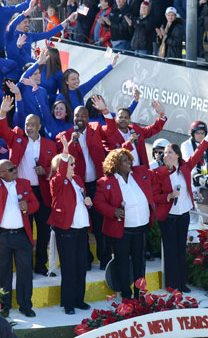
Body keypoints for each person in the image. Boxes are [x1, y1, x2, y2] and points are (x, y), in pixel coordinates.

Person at [154, 121, 208, 292]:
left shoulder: (185, 167)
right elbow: (154, 196)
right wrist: (168, 196)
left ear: (177, 155)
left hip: (183, 215)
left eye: (169, 153)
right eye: (164, 153)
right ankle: (172, 285)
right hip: (168, 217)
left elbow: (200, 151)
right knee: (171, 251)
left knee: (181, 250)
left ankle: (181, 283)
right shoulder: (159, 173)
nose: (166, 155)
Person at [0, 139, 40, 318]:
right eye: (11, 170)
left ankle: (25, 305)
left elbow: (36, 205)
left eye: (15, 168)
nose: (15, 171)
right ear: (1, 173)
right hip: (1, 236)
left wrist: (28, 207)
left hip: (21, 235)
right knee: (3, 273)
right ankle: (4, 306)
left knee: (25, 272)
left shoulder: (24, 184)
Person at [0, 97, 57, 277]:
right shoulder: (17, 139)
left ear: (39, 127)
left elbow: (54, 167)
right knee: (25, 229)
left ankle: (41, 265)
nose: (29, 127)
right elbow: (2, 129)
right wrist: (3, 113)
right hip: (22, 191)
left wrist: (44, 171)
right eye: (27, 124)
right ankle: (26, 266)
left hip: (42, 192)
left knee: (44, 230)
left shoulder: (50, 145)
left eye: (32, 125)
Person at [55, 95, 118, 270]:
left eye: (83, 116)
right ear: (72, 118)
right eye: (77, 116)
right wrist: (73, 143)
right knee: (82, 223)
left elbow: (112, 130)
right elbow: (65, 161)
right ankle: (86, 259)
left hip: (97, 184)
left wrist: (105, 111)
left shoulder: (96, 128)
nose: (80, 119)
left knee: (100, 223)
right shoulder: (64, 137)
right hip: (78, 187)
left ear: (87, 117)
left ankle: (105, 259)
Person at [94, 148, 160, 299]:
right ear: (116, 164)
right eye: (124, 160)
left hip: (141, 227)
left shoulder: (139, 173)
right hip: (121, 231)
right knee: (122, 263)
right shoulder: (105, 182)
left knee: (140, 263)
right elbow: (98, 202)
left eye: (129, 159)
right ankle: (126, 295)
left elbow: (156, 177)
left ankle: (140, 294)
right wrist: (113, 211)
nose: (129, 162)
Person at [48, 134, 92, 315]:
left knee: (81, 265)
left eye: (73, 164)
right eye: (70, 164)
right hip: (66, 229)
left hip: (81, 229)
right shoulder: (57, 181)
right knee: (69, 266)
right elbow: (61, 173)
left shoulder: (78, 180)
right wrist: (65, 151)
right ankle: (67, 302)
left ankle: (78, 299)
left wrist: (88, 202)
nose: (73, 166)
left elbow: (80, 199)